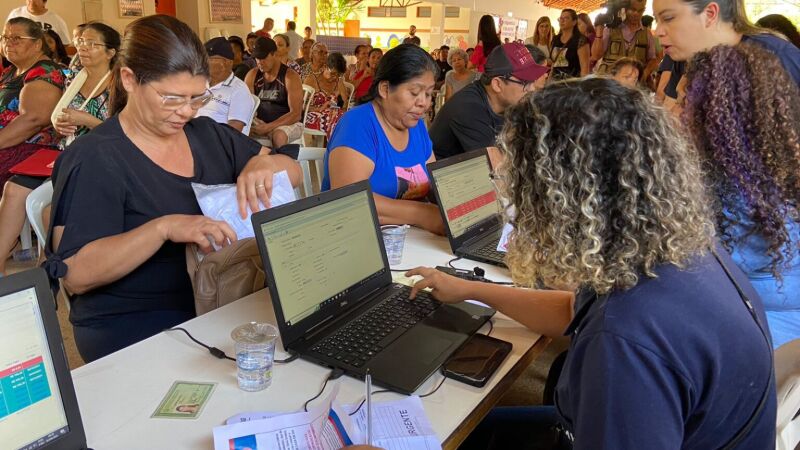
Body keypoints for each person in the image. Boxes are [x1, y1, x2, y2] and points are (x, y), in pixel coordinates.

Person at [409, 77, 776, 449]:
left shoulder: (624, 341)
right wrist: (471, 290)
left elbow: (615, 337)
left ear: (562, 196)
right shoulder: (680, 251)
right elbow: (573, 308)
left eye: (519, 180)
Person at [45, 15, 301, 363]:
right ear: (129, 79)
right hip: (139, 321)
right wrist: (164, 228)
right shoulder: (97, 158)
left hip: (223, 297)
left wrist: (264, 162)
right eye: (172, 98)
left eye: (197, 98)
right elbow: (77, 274)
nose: (186, 111)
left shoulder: (206, 134)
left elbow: (294, 171)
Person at [682, 42, 800, 349]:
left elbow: (689, 286)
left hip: (754, 354)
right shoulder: (783, 171)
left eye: (686, 102)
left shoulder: (731, 192)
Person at [322, 44, 443, 235]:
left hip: (410, 239)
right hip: (358, 240)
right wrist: (423, 214)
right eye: (414, 92)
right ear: (385, 89)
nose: (423, 103)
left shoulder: (416, 125)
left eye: (428, 94)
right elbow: (351, 202)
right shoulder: (357, 125)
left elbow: (432, 181)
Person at [0, 17, 64, 274]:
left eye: (17, 38)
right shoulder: (10, 72)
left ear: (37, 44)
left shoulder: (45, 72)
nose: (8, 43)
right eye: (5, 37)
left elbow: (34, 120)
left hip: (33, 149)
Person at [429, 42, 548, 167]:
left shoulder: (506, 103)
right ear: (497, 84)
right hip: (444, 182)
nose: (532, 88)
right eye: (526, 82)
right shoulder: (469, 108)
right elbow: (497, 169)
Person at [653, 0, 800, 86]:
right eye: (656, 20)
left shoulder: (778, 57)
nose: (658, 31)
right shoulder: (693, 62)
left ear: (710, 14)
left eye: (668, 18)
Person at [245, 37, 304, 148]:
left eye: (263, 58)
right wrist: (255, 122)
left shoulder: (290, 76)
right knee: (237, 131)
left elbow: (296, 114)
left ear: (274, 54)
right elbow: (247, 107)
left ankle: (282, 165)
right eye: (257, 58)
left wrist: (269, 127)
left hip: (288, 123)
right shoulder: (252, 75)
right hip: (260, 122)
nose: (259, 62)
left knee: (278, 136)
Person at [195, 37, 255, 134]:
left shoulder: (239, 90)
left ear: (227, 63)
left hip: (216, 144)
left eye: (208, 58)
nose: (203, 63)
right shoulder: (201, 83)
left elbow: (233, 132)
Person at [593, 0, 658, 79]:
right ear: (625, 9)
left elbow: (653, 60)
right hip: (609, 83)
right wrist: (599, 30)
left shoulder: (647, 33)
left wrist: (644, 73)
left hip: (633, 84)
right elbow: (596, 56)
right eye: (633, 9)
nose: (636, 14)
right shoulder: (610, 29)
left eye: (640, 11)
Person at [303, 52, 349, 140]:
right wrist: (320, 109)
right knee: (338, 122)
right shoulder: (311, 80)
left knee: (347, 119)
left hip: (334, 116)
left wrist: (336, 107)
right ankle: (336, 148)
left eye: (338, 75)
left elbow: (344, 106)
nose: (335, 77)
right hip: (313, 117)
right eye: (333, 73)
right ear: (325, 67)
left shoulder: (339, 82)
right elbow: (300, 106)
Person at [6, 0, 71, 46]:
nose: (31, 1)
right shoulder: (16, 14)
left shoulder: (56, 20)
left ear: (44, 2)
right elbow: (6, 35)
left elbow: (65, 43)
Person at [550, 9, 590, 79]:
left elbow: (585, 68)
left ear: (574, 22)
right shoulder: (555, 39)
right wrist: (548, 80)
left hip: (571, 84)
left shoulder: (580, 40)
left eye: (566, 18)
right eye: (561, 18)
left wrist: (582, 87)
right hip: (554, 83)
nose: (562, 21)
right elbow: (553, 64)